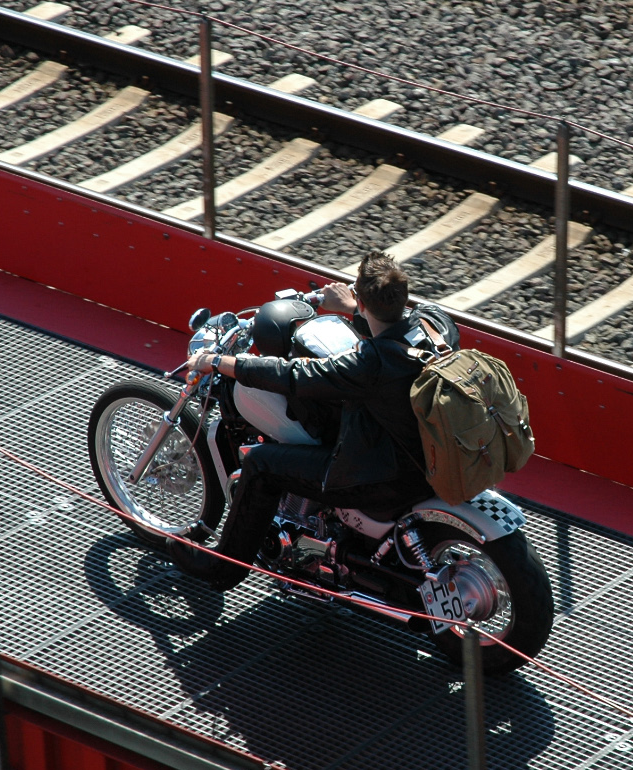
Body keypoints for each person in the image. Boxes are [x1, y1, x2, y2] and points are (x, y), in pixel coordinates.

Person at [165, 252, 439, 590]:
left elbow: (294, 374)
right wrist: (355, 308)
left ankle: (223, 568)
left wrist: (219, 361)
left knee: (262, 464)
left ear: (364, 303)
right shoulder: (436, 326)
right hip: (427, 455)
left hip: (381, 472)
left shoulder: (369, 364)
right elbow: (396, 330)